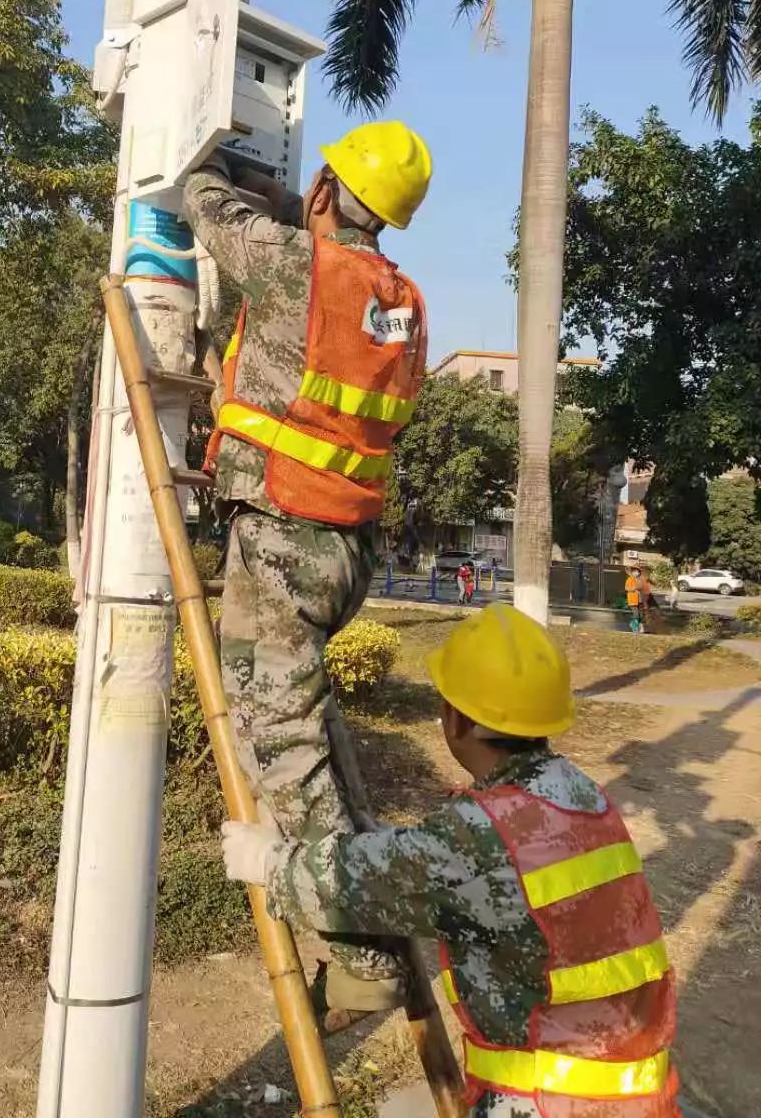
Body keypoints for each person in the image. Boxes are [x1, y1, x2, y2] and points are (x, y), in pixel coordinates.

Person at [221, 605, 680, 1116]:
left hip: (550, 1101)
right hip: (637, 1096)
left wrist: (269, 862)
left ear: (456, 717)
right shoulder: (580, 795)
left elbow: (362, 882)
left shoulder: (484, 835)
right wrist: (396, 844)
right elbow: (484, 874)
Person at [183, 120, 431, 1028]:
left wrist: (214, 156)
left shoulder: (301, 266)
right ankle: (369, 895)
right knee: (312, 729)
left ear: (324, 191)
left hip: (284, 527)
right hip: (347, 544)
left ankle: (363, 956)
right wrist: (304, 203)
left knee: (280, 740)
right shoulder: (398, 297)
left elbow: (202, 203)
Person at [626, 566, 644, 632]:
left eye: (638, 572)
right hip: (633, 600)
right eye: (635, 571)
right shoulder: (629, 579)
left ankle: (639, 626)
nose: (637, 573)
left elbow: (642, 587)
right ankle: (635, 626)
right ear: (632, 572)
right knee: (636, 614)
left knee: (641, 614)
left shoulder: (639, 580)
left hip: (640, 600)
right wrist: (634, 588)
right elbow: (627, 588)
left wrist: (640, 587)